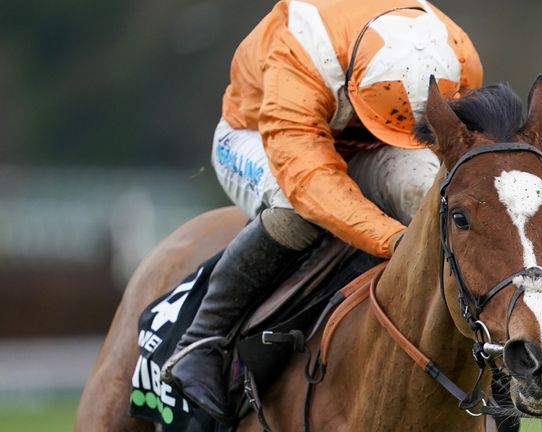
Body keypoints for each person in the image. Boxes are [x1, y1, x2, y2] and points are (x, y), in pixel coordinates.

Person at [161, 0, 482, 422]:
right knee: (299, 211)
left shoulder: (459, 57)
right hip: (258, 132)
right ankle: (203, 339)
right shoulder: (299, 49)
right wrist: (397, 241)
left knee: (432, 198)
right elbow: (312, 184)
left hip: (378, 141)